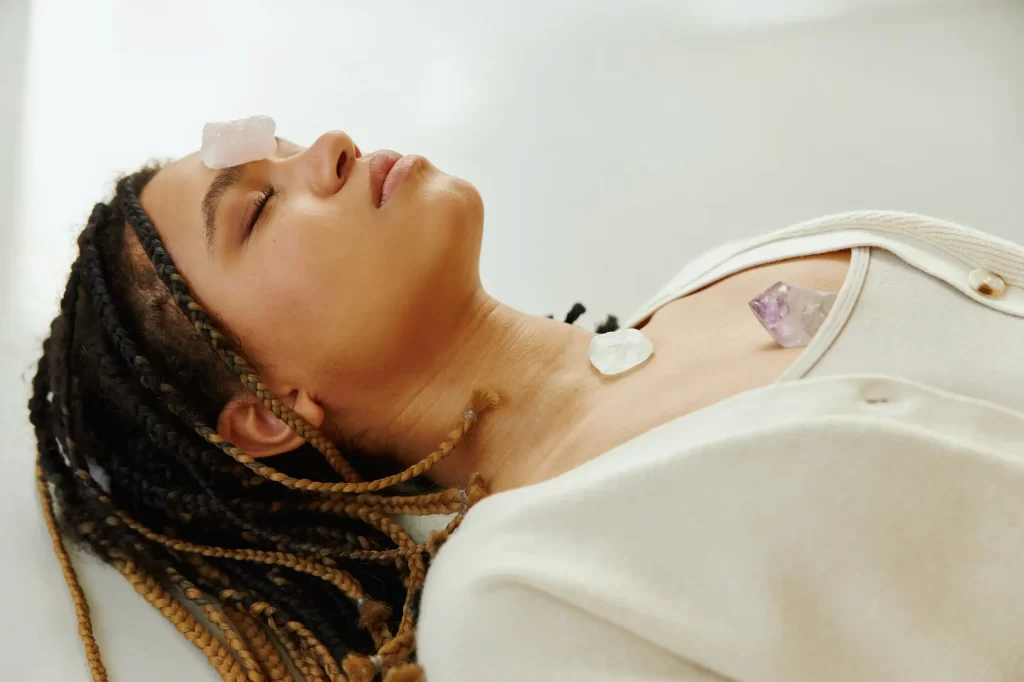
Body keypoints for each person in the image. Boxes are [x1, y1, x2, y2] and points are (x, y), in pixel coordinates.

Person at [32, 129, 1024, 682]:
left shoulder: (742, 264)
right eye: (257, 207)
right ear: (268, 411)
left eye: (283, 141)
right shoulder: (515, 597)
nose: (327, 148)